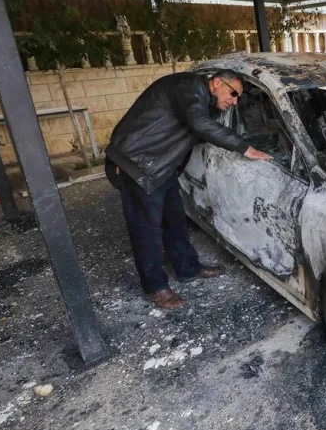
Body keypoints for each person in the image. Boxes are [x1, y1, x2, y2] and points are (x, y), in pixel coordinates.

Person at [105, 70, 271, 309]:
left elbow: (200, 126)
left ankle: (187, 268)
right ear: (216, 82)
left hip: (161, 167)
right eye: (233, 93)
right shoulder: (187, 86)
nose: (235, 101)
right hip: (136, 164)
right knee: (146, 231)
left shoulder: (204, 99)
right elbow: (199, 123)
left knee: (175, 220)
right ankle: (156, 287)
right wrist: (243, 147)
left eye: (238, 98)